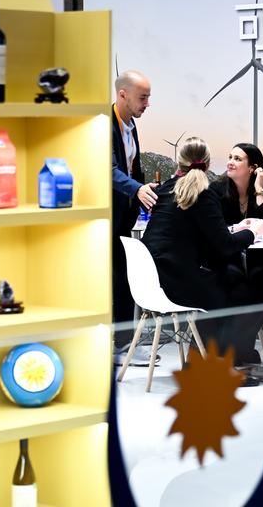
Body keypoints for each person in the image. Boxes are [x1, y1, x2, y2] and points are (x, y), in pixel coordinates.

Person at [141, 137, 263, 361]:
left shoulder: (166, 189)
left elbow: (192, 228)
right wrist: (253, 232)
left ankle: (213, 356)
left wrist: (234, 228)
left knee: (229, 280)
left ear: (179, 161)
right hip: (176, 282)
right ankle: (219, 359)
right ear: (207, 164)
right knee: (241, 290)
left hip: (150, 279)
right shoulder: (203, 193)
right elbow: (226, 246)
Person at [210, 143, 263, 364]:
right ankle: (232, 351)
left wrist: (259, 188)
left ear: (253, 168)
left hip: (257, 260)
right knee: (238, 288)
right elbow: (214, 231)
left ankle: (239, 348)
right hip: (224, 259)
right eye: (230, 157)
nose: (230, 162)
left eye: (238, 159)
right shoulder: (216, 190)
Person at [112, 70, 159, 364]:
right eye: (143, 97)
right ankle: (120, 346)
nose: (147, 104)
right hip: (106, 216)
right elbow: (108, 169)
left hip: (124, 217)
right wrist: (137, 189)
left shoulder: (131, 126)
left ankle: (123, 344)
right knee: (116, 279)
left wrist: (146, 191)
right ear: (123, 94)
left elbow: (133, 168)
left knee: (123, 279)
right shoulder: (105, 125)